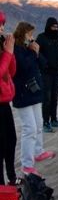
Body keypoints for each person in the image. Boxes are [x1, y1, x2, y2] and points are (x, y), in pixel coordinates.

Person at [12, 22, 55, 176]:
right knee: (29, 128)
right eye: (29, 34)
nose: (31, 37)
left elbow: (43, 64)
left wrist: (37, 51)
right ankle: (26, 164)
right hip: (22, 94)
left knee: (38, 125)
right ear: (22, 33)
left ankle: (38, 151)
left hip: (34, 92)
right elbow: (24, 67)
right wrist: (33, 53)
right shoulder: (16, 49)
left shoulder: (29, 48)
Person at [36, 17, 58, 133]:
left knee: (54, 97)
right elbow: (37, 53)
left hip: (57, 73)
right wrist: (46, 64)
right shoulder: (41, 38)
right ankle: (45, 122)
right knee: (46, 98)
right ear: (48, 26)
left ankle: (54, 119)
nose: (55, 29)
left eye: (57, 27)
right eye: (53, 27)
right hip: (46, 73)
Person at [0, 12, 18, 184]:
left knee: (11, 141)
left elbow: (10, 72)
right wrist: (8, 53)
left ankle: (12, 177)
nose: (2, 28)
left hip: (4, 102)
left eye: (3, 24)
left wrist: (10, 53)